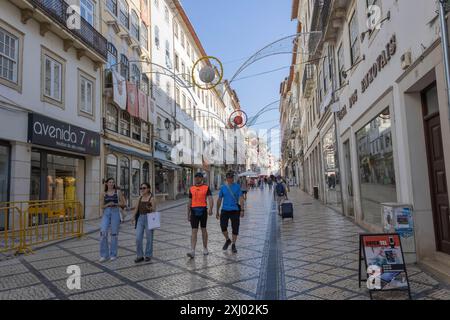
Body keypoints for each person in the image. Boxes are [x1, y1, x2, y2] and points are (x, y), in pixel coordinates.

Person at [216, 171, 244, 254]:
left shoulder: (237, 187)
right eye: (228, 178)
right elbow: (219, 199)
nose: (230, 179)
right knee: (223, 226)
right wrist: (217, 211)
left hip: (235, 210)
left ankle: (234, 244)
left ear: (233, 178)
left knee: (235, 228)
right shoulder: (223, 187)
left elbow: (241, 198)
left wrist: (242, 210)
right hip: (225, 210)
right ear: (226, 178)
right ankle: (228, 239)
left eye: (231, 178)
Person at [187, 172, 214, 259]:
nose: (197, 179)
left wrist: (211, 208)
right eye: (196, 177)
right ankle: (192, 251)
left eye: (199, 177)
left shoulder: (206, 188)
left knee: (203, 229)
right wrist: (188, 213)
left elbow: (210, 198)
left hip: (203, 211)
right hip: (194, 211)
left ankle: (205, 248)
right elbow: (189, 202)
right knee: (194, 231)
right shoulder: (191, 188)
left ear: (202, 178)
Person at [100, 178, 126, 262]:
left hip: (115, 212)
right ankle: (104, 255)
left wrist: (115, 203)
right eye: (110, 182)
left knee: (114, 234)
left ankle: (113, 254)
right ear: (106, 184)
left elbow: (123, 204)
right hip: (106, 213)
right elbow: (101, 206)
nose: (111, 183)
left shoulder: (118, 192)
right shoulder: (103, 193)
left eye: (113, 182)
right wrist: (108, 204)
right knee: (103, 232)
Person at [132, 182, 155, 263]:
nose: (142, 190)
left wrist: (150, 208)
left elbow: (154, 210)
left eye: (144, 188)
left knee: (149, 238)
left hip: (149, 218)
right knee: (138, 238)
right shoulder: (139, 198)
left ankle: (148, 255)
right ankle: (140, 256)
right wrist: (133, 217)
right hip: (140, 218)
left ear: (148, 189)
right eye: (141, 188)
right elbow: (136, 209)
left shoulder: (151, 198)